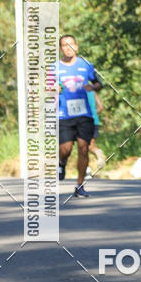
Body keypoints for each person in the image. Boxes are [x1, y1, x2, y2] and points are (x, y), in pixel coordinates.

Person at [51, 34, 102, 197]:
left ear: (76, 46)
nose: (68, 48)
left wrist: (92, 87)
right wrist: (53, 89)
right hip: (63, 114)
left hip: (84, 114)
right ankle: (61, 161)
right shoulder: (54, 67)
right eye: (64, 46)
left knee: (83, 148)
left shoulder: (86, 65)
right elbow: (47, 87)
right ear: (60, 49)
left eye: (71, 44)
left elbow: (99, 83)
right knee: (65, 149)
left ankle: (80, 185)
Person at [87, 88, 106, 173]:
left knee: (82, 146)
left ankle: (86, 169)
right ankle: (98, 152)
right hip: (94, 121)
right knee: (91, 145)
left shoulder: (76, 91)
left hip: (82, 121)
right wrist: (94, 114)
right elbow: (101, 107)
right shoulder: (92, 91)